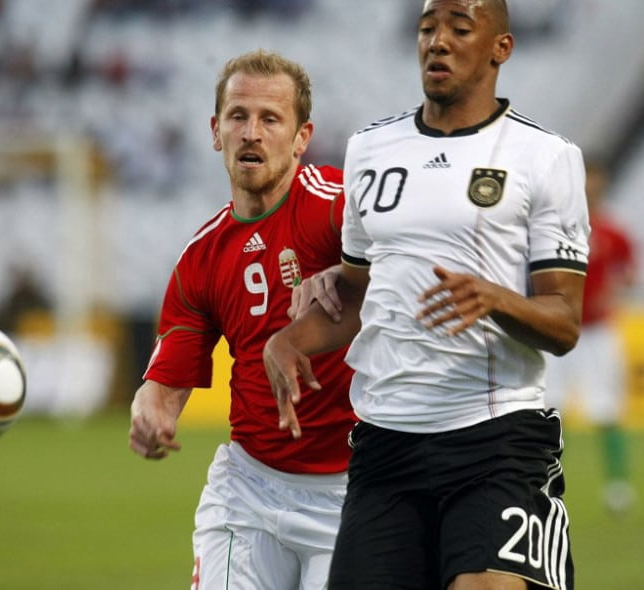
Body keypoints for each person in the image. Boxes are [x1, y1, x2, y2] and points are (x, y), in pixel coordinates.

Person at [263, 2, 590, 589]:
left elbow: (564, 321)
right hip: (385, 444)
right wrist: (290, 340)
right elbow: (360, 293)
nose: (438, 41)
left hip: (495, 440)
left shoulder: (545, 158)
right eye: (427, 28)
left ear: (501, 48)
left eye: (460, 28)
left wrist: (495, 298)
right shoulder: (370, 150)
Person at [128, 50, 356, 590]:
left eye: (270, 119)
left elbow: (409, 273)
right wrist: (149, 410)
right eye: (238, 116)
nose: (251, 132)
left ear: (302, 137)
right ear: (215, 131)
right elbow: (165, 384)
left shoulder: (341, 209)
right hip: (249, 492)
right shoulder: (200, 259)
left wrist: (348, 272)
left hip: (353, 491)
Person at [545, 157, 637, 515]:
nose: (590, 188)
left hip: (597, 332)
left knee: (607, 410)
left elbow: (628, 274)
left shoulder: (613, 232)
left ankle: (617, 486)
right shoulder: (556, 227)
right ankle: (543, 480)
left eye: (596, 181)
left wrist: (613, 290)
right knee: (548, 409)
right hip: (557, 329)